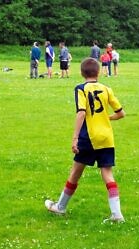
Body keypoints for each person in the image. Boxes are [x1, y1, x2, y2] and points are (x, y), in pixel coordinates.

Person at [44, 58, 125, 223]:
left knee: (75, 173)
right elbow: (121, 113)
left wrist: (74, 138)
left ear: (82, 73)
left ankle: (60, 207)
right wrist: (104, 118)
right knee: (107, 173)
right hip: (106, 137)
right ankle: (117, 214)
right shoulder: (106, 88)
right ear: (99, 72)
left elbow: (81, 112)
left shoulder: (81, 89)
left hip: (88, 137)